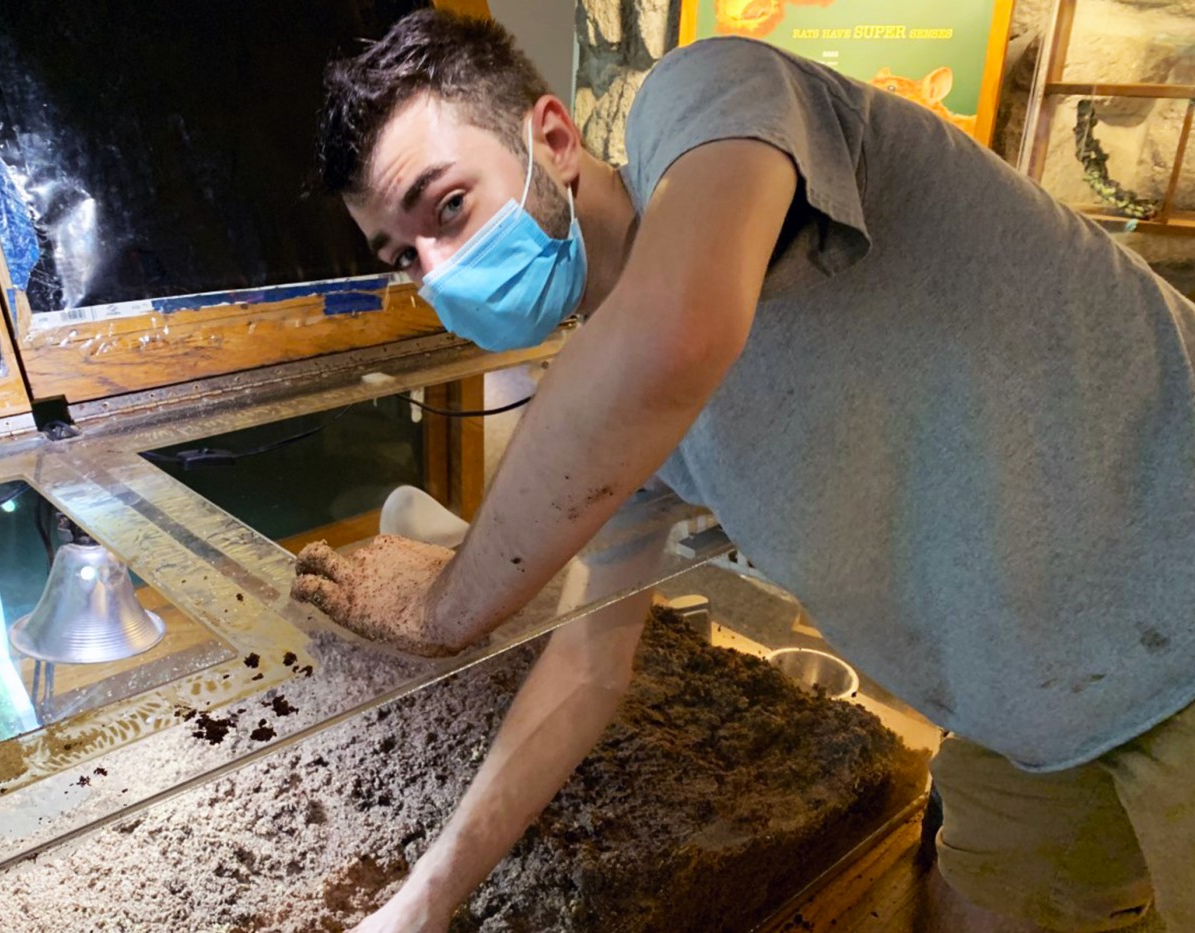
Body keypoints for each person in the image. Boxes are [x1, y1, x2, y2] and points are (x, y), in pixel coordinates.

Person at [290, 10, 1195, 932]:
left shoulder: (709, 94)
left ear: (553, 138)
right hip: (1025, 717)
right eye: (404, 257)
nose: (438, 270)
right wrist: (422, 904)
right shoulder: (627, 422)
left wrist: (441, 605)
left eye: (447, 208)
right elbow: (585, 670)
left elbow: (674, 334)